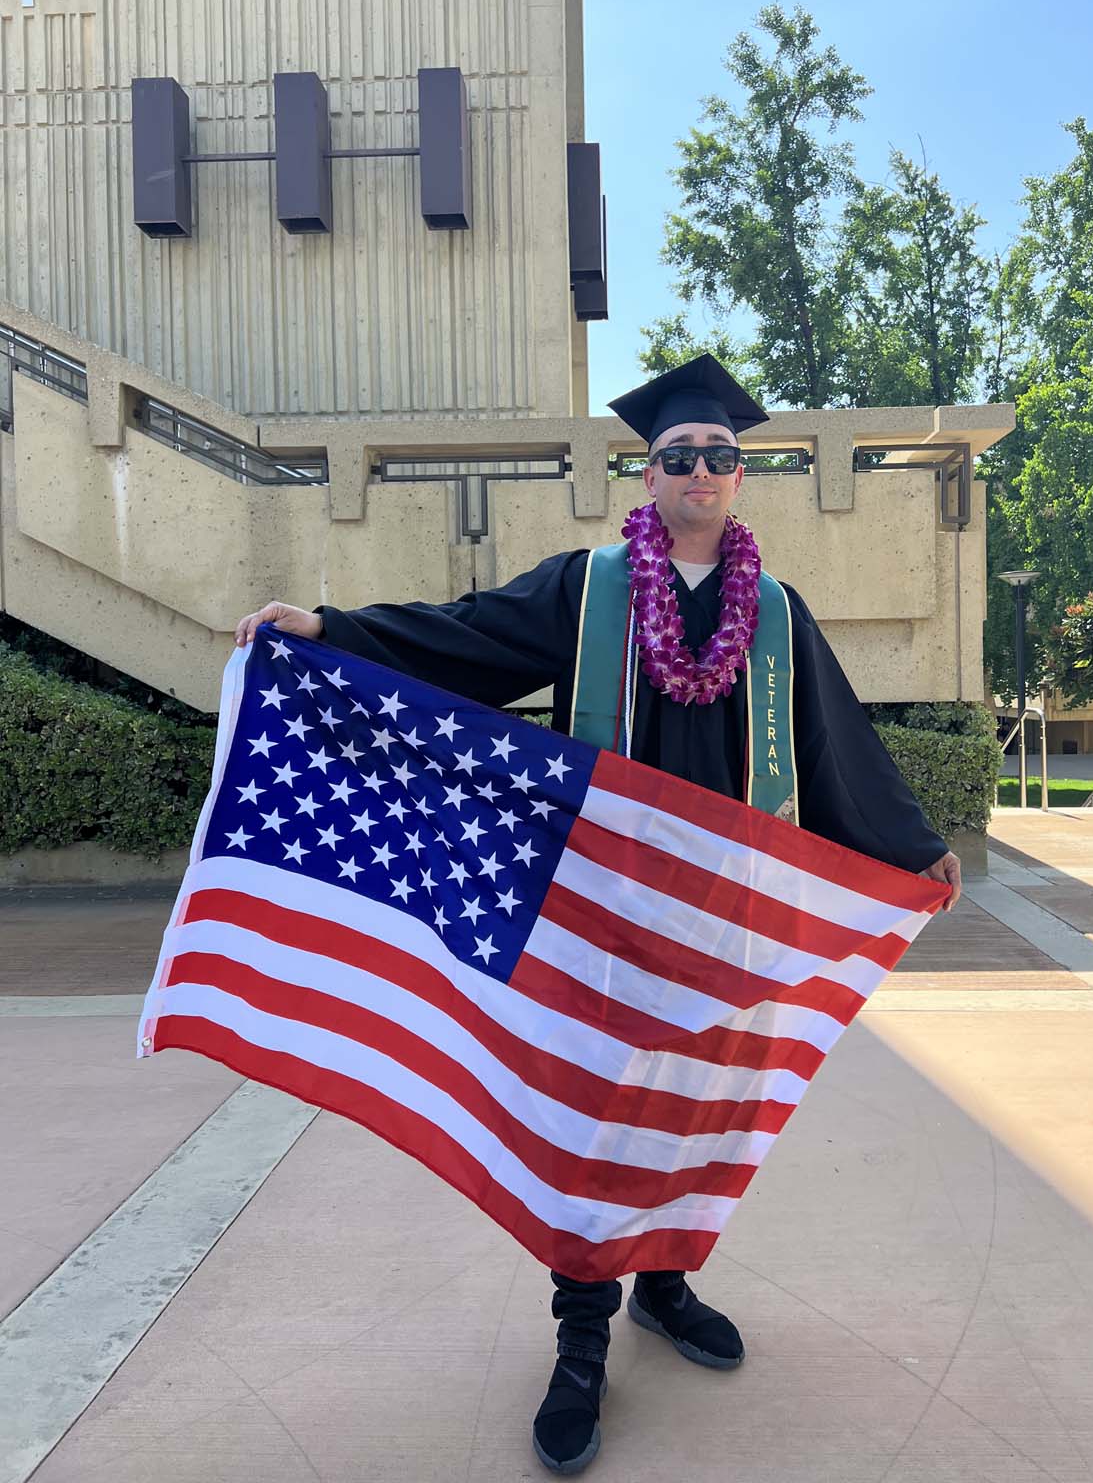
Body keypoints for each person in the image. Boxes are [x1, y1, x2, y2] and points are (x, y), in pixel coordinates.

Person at [235, 354, 962, 1475]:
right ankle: (581, 1338)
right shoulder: (591, 586)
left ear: (740, 471)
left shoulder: (774, 610)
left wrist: (913, 850)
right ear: (650, 467)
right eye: (682, 455)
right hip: (601, 909)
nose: (704, 471)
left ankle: (665, 1284)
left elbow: (833, 744)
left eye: (722, 454)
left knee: (700, 1097)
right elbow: (467, 635)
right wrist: (328, 631)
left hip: (727, 916)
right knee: (595, 1110)